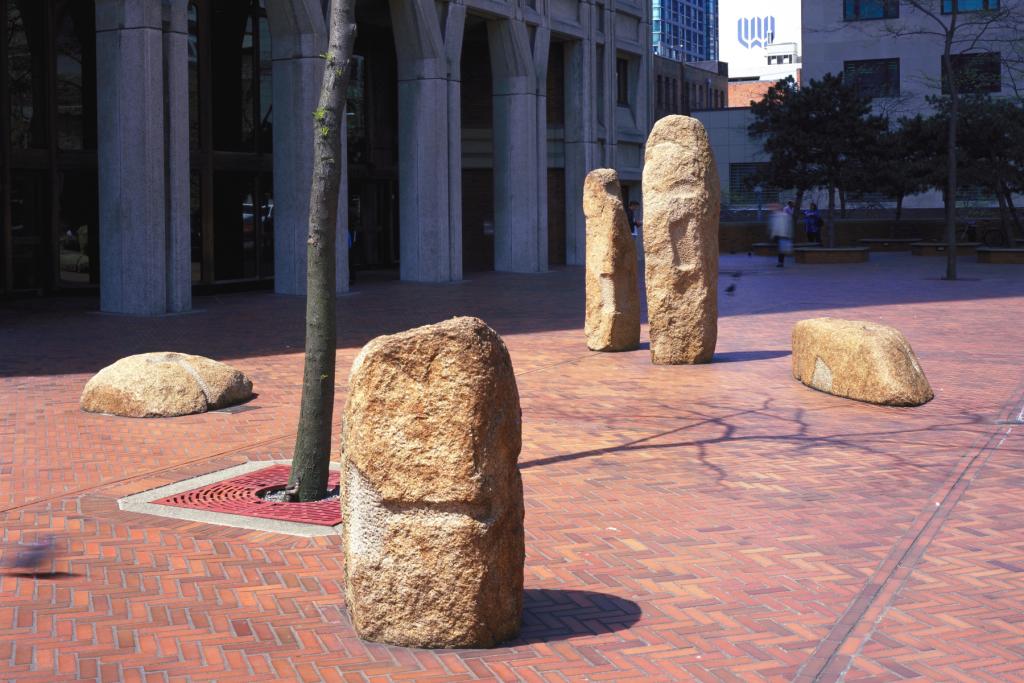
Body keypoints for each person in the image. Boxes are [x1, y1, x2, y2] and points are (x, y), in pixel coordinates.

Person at [769, 203, 794, 268]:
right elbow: (774, 227)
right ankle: (780, 261)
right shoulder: (775, 216)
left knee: (781, 249)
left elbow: (788, 226)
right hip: (778, 235)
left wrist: (789, 234)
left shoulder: (784, 216)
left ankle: (780, 262)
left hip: (783, 234)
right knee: (780, 248)